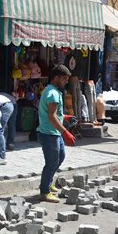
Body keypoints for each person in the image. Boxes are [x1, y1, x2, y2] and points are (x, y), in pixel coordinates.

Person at [37, 64, 76, 203]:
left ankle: (47, 183)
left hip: (53, 132)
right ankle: (44, 192)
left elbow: (54, 114)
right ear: (56, 78)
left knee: (60, 157)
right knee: (52, 161)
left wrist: (64, 117)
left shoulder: (53, 90)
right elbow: (51, 117)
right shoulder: (53, 93)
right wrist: (66, 133)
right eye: (64, 79)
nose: (66, 82)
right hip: (49, 133)